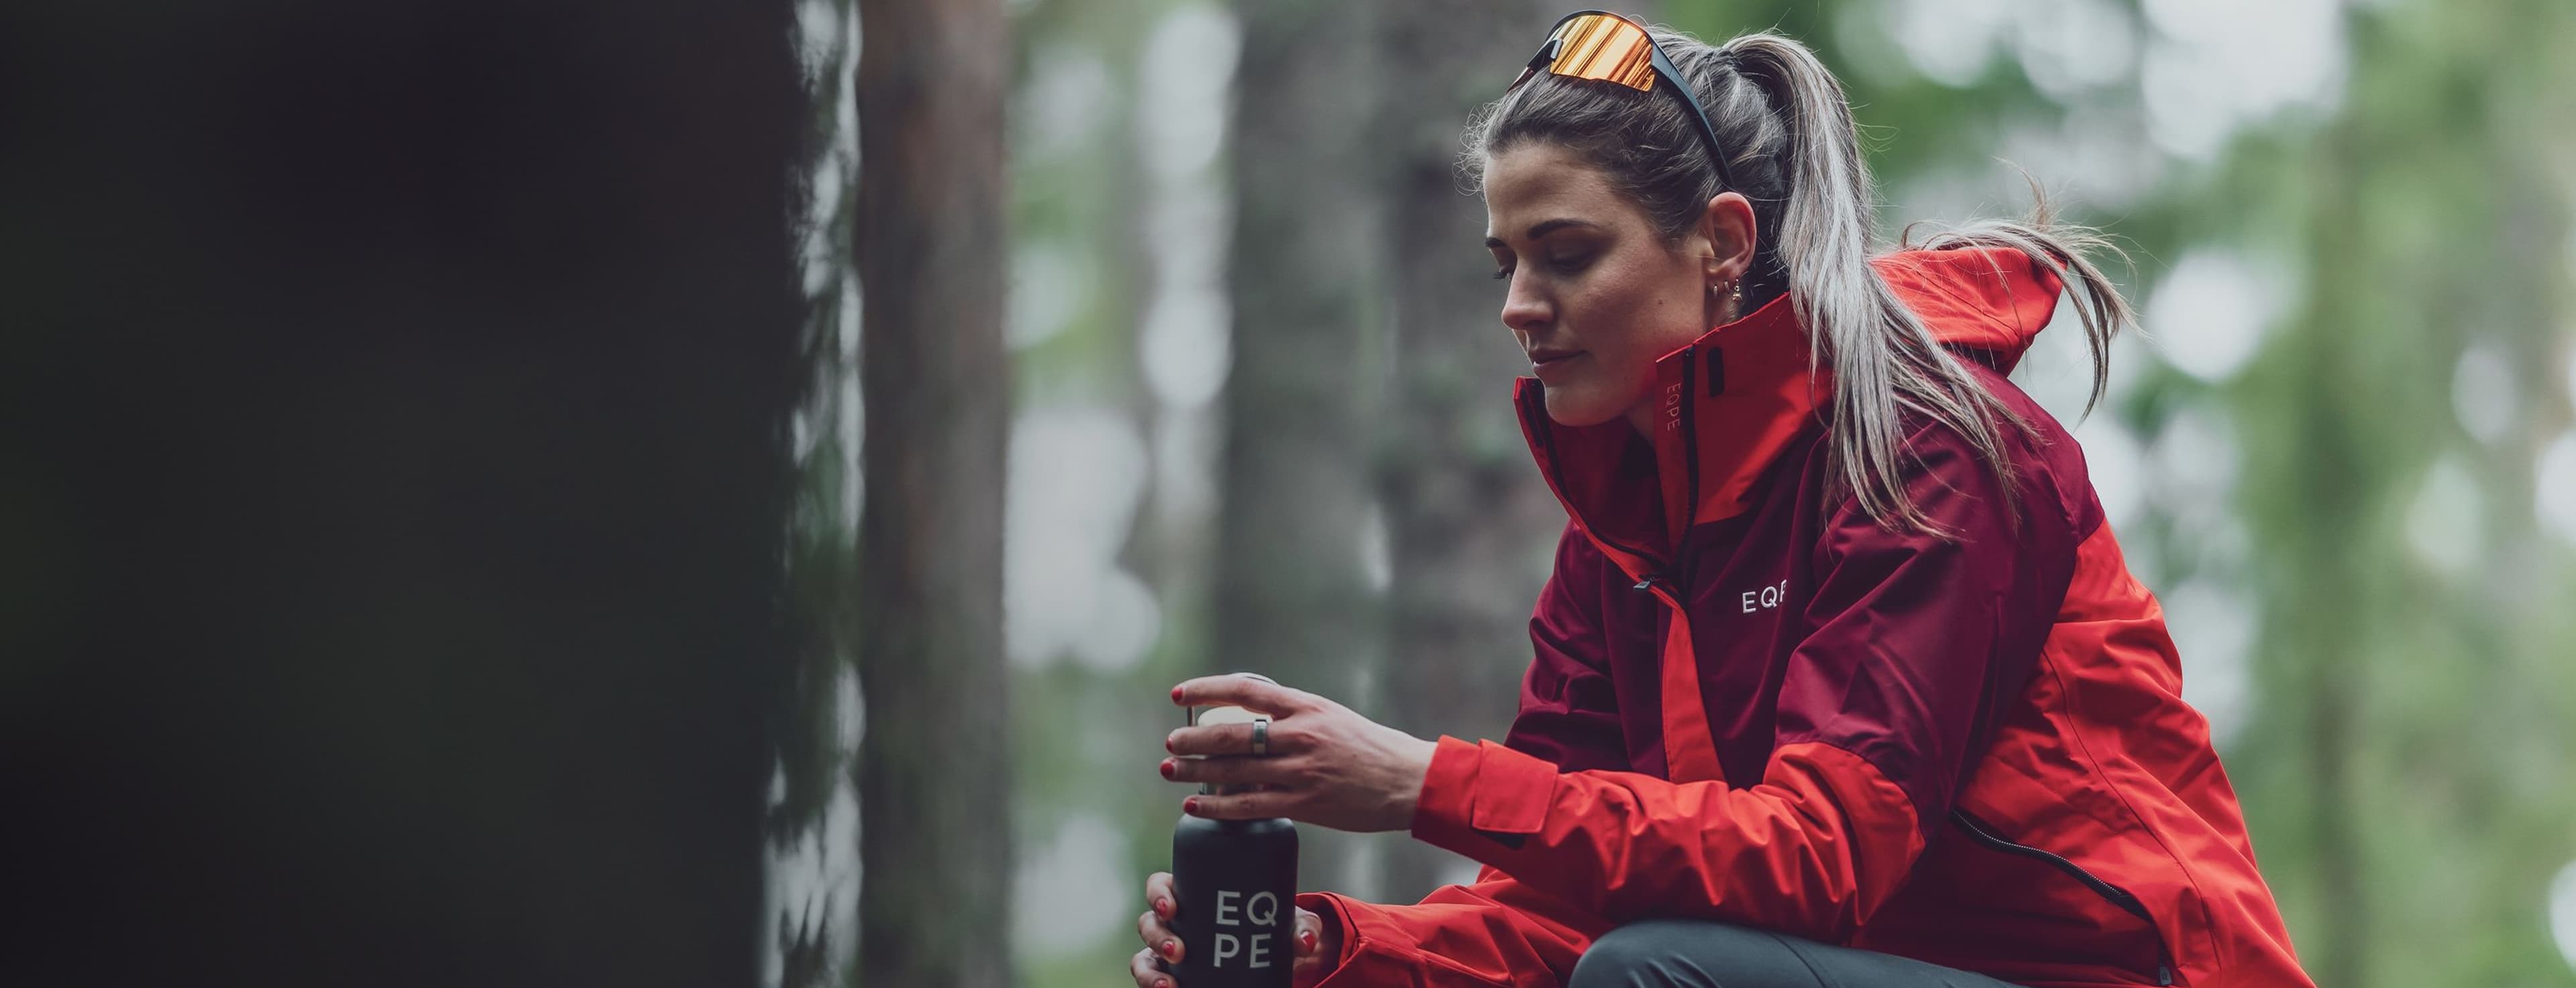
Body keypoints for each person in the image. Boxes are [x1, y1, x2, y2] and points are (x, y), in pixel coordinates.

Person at [1130, 14, 2312, 988]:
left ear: (1722, 241)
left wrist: (1420, 781)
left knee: (1655, 975)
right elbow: (1560, 904)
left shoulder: (1932, 453)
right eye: (1507, 263)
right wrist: (1337, 951)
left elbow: (1821, 856)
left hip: (2129, 976)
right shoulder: (1626, 534)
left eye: (1567, 254)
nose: (1518, 305)